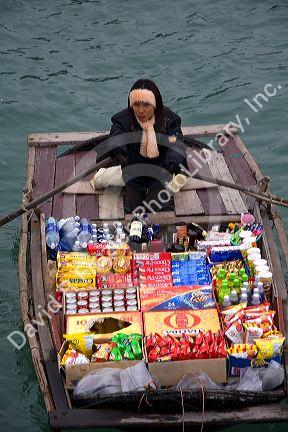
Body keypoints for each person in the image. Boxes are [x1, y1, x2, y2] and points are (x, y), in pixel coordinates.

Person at [108, 78, 187, 213]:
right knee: (136, 210)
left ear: (155, 105)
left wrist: (172, 161)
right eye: (136, 105)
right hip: (134, 172)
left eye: (146, 105)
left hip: (161, 171)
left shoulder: (169, 119)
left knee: (151, 209)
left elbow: (177, 143)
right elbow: (116, 137)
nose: (141, 111)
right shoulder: (122, 120)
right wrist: (118, 148)